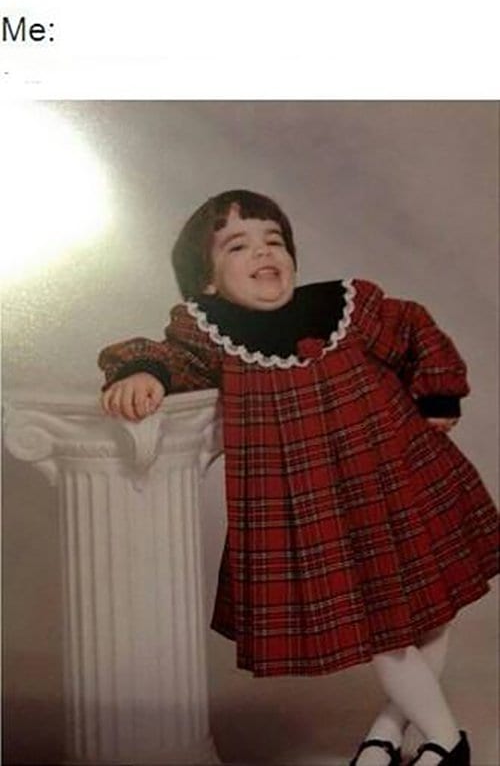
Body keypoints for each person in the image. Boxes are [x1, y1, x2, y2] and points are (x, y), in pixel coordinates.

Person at [99, 190, 499, 766]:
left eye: (274, 241)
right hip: (323, 510)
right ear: (207, 281)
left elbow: (413, 327)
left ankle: (396, 733)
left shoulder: (348, 305)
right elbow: (169, 358)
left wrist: (438, 390)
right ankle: (444, 738)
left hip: (405, 478)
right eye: (238, 246)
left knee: (431, 611)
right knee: (386, 628)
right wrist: (143, 372)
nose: (264, 252)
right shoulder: (209, 331)